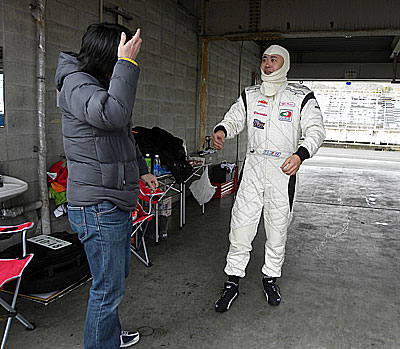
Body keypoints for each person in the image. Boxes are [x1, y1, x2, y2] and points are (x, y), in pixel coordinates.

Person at [55, 23, 158, 348]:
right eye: (122, 53)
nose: (126, 59)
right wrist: (127, 65)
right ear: (107, 54)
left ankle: (108, 336)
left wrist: (141, 170)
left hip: (110, 200)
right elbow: (114, 115)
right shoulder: (76, 84)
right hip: (99, 205)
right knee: (107, 288)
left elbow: (122, 133)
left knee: (114, 281)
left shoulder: (97, 83)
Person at [213, 45, 325, 312]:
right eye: (264, 59)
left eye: (274, 59)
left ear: (284, 64)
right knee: (241, 225)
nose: (267, 64)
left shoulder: (301, 95)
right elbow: (235, 118)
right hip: (253, 167)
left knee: (277, 229)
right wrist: (222, 129)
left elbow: (316, 130)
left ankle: (270, 278)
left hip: (283, 169)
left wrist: (300, 154)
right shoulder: (250, 94)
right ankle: (232, 282)